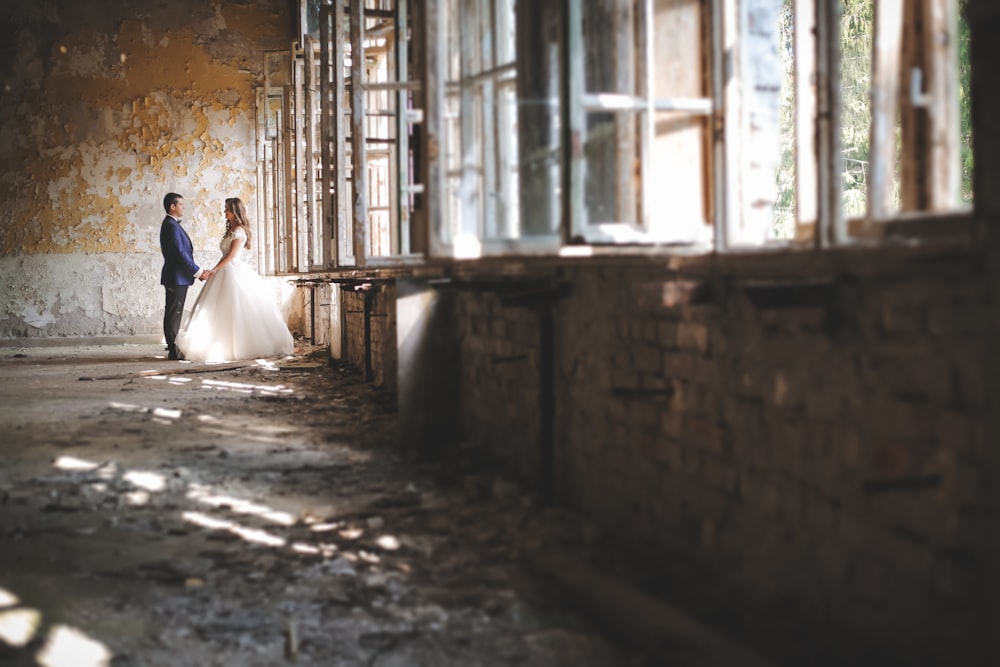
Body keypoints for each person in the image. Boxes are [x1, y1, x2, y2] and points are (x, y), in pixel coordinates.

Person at [175, 197, 294, 363]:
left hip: (233, 271)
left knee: (239, 308)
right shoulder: (231, 229)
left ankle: (241, 347)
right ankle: (221, 345)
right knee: (218, 309)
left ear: (235, 211)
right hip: (224, 271)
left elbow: (231, 256)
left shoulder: (239, 231)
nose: (225, 212)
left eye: (227, 210)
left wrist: (215, 269)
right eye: (225, 209)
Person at [160, 192, 212, 360]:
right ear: (172, 207)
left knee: (174, 312)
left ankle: (173, 348)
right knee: (174, 314)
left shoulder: (172, 224)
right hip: (176, 276)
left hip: (178, 276)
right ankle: (174, 351)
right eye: (181, 204)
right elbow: (179, 253)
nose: (184, 207)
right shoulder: (170, 225)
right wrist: (198, 272)